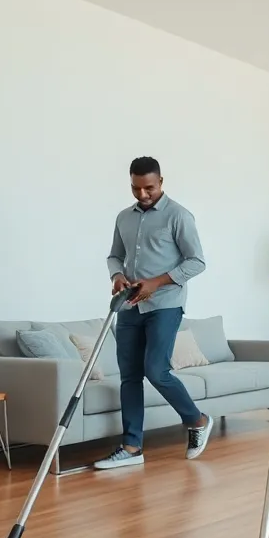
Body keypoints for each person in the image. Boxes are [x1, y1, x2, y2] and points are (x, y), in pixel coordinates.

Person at [94, 156, 213, 470]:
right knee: (129, 375)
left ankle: (197, 420)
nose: (143, 194)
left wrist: (156, 283)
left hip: (165, 305)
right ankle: (131, 446)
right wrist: (116, 276)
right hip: (129, 305)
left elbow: (196, 262)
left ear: (161, 182)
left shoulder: (179, 216)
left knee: (156, 370)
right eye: (136, 188)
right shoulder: (124, 218)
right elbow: (114, 256)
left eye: (149, 187)